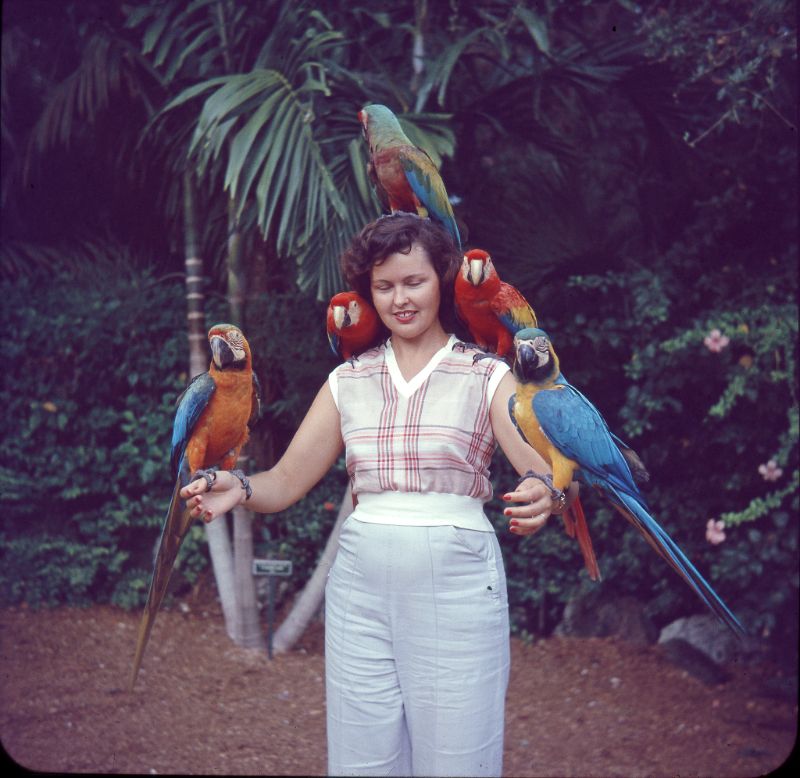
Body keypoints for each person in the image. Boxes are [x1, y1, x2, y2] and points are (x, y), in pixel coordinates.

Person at [180, 212, 578, 777]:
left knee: (458, 761)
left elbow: (543, 472)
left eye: (414, 282)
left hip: (460, 584)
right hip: (359, 591)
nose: (400, 299)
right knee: (363, 761)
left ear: (442, 279)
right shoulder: (349, 379)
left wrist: (546, 496)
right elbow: (288, 479)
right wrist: (237, 487)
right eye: (384, 287)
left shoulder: (488, 375)